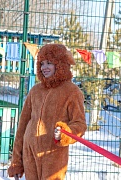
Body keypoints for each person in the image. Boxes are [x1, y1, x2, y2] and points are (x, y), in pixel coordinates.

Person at [7, 44, 87, 180]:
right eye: (42, 63)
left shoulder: (72, 91)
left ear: (61, 64)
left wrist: (64, 133)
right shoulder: (35, 90)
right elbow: (22, 127)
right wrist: (16, 161)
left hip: (53, 152)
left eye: (49, 63)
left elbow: (80, 124)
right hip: (29, 152)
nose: (44, 67)